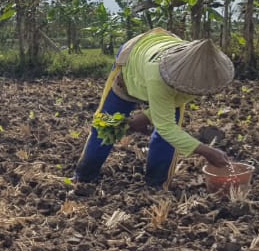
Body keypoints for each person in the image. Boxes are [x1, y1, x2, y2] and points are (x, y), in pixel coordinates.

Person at [74, 28, 234, 188]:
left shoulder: (200, 71)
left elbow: (172, 106)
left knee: (167, 139)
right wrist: (208, 151)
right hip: (132, 63)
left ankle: (156, 184)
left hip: (159, 60)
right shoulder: (160, 74)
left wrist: (145, 117)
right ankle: (84, 177)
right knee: (106, 126)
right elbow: (167, 128)